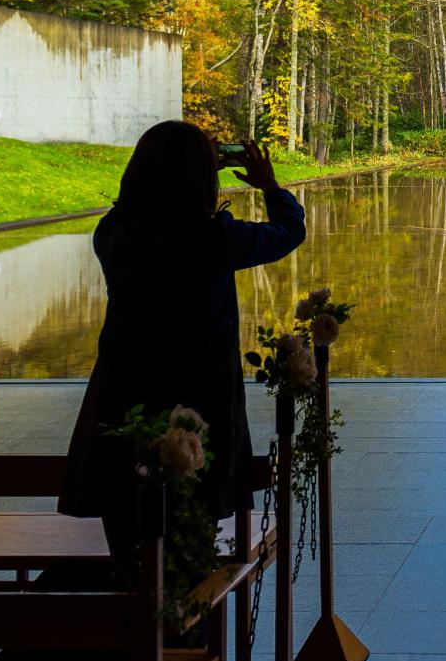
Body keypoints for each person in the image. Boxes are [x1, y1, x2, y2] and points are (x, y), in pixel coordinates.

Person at [59, 122, 307, 560]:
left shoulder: (113, 234)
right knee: (189, 551)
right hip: (198, 408)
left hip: (121, 404)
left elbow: (145, 211)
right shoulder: (214, 238)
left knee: (127, 550)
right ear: (202, 178)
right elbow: (289, 231)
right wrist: (269, 186)